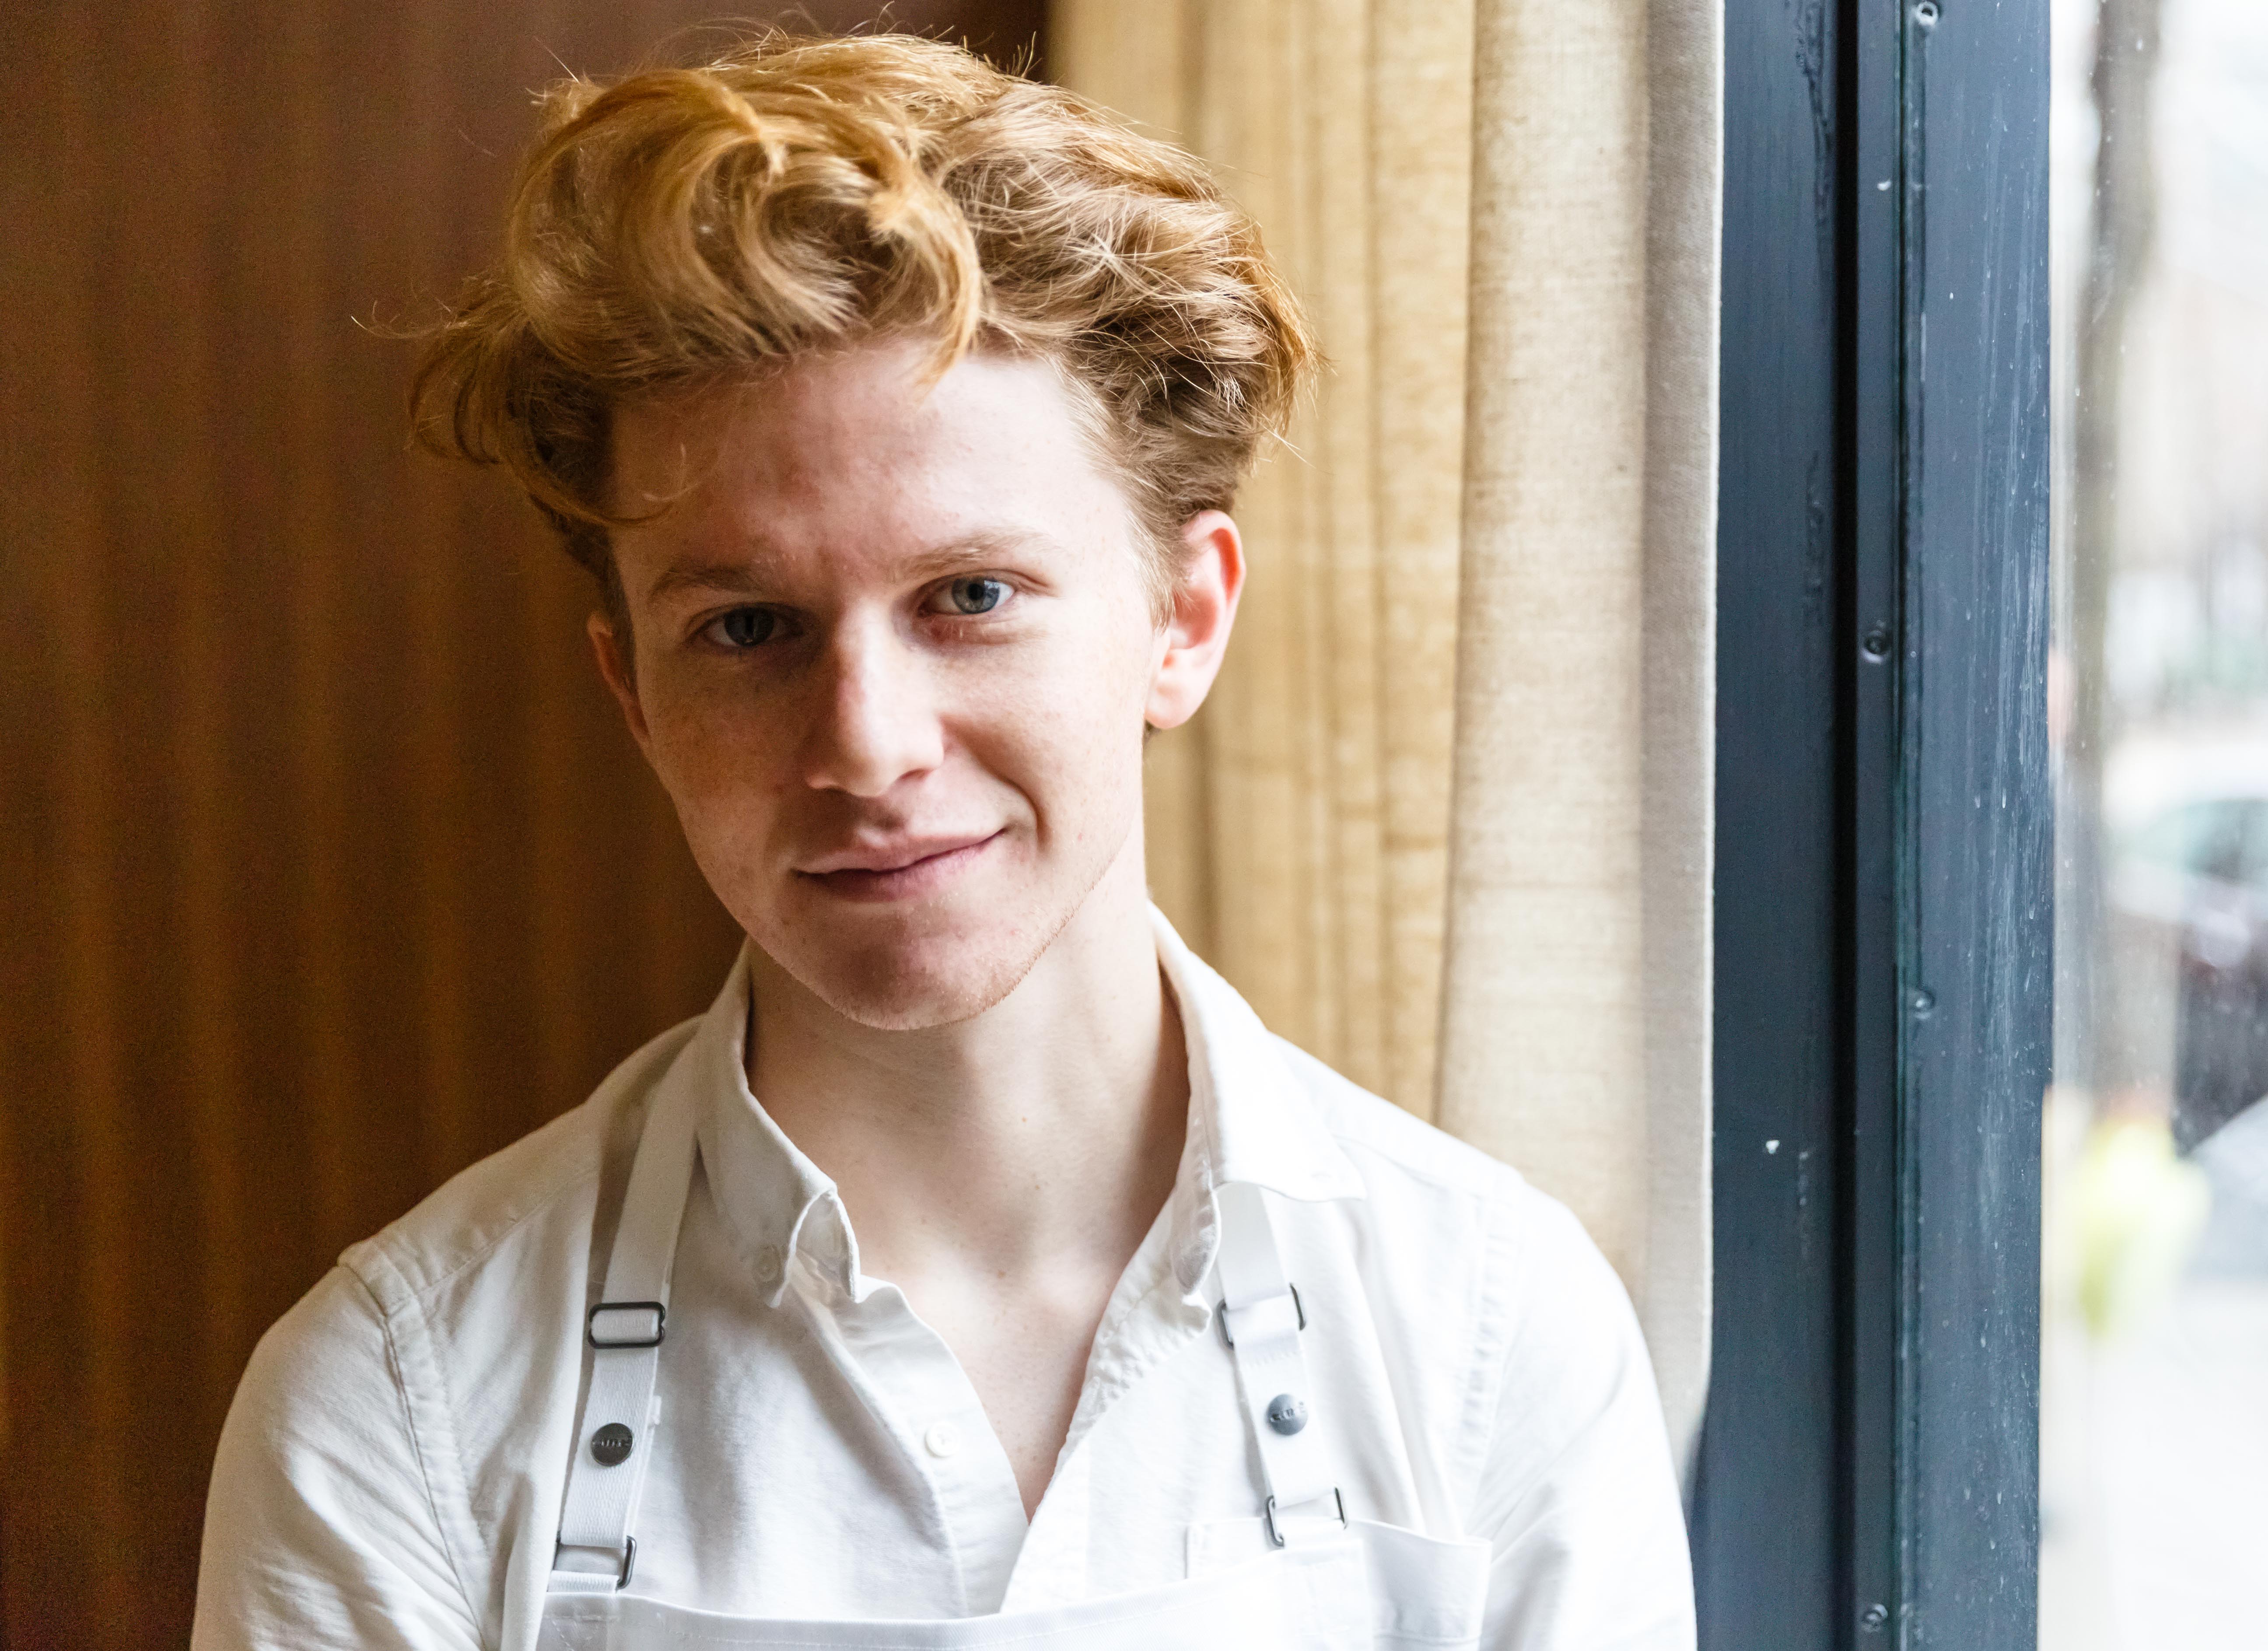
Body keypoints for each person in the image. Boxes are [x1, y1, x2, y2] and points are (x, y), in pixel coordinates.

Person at [192, 31, 1695, 1650]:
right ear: (632, 690)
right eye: (749, 627)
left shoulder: (1487, 1330)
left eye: (970, 597)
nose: (865, 744)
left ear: (1181, 621)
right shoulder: (403, 1406)